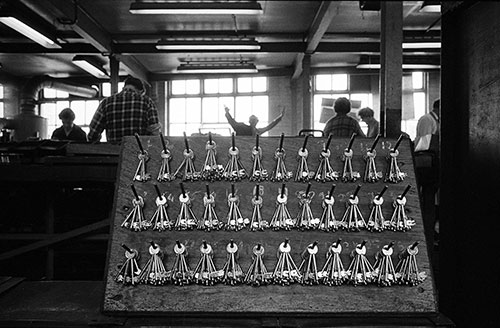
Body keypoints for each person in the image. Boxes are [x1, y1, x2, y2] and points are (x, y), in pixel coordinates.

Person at [87, 76, 161, 144]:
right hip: (139, 153)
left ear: (123, 87)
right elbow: (155, 131)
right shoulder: (146, 101)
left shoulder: (106, 103)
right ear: (141, 91)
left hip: (114, 153)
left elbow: (93, 133)